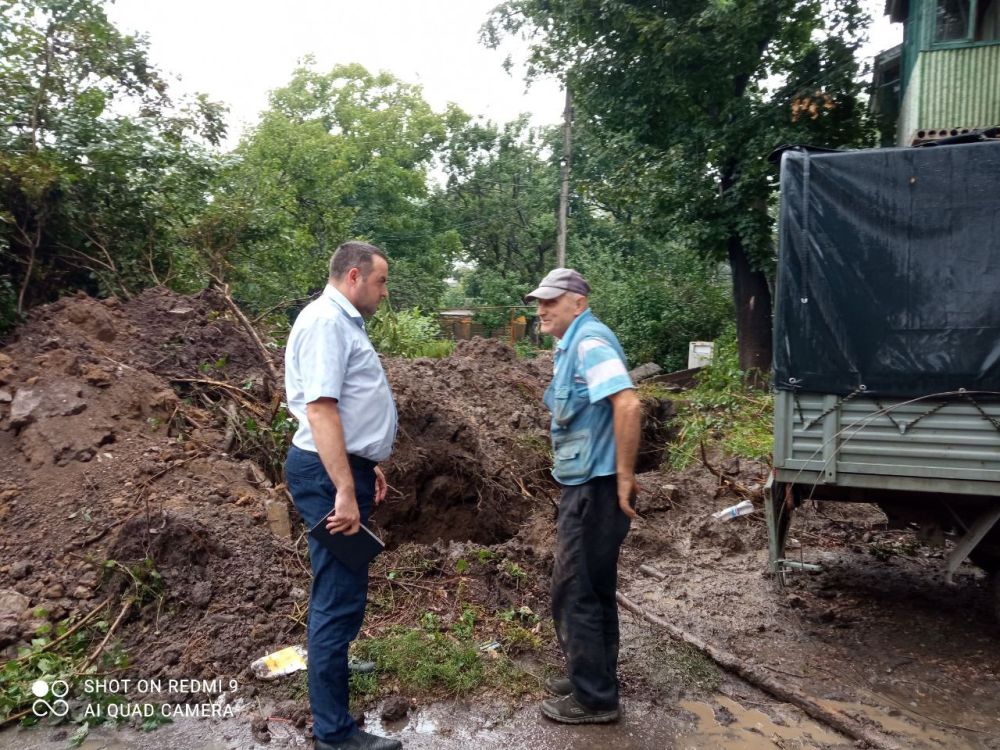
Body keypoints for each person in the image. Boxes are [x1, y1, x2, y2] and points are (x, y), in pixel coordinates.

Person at [284, 241, 401, 750]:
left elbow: (345, 408)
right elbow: (322, 411)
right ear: (354, 276)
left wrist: (364, 465)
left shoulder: (341, 321)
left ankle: (337, 660)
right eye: (381, 281)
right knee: (336, 596)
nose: (385, 290)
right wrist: (343, 488)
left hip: (342, 467)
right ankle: (334, 733)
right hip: (328, 474)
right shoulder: (326, 323)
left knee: (343, 585)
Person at [524, 267, 641, 725]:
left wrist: (625, 474)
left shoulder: (590, 343)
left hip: (595, 487)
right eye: (539, 301)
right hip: (590, 483)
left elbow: (628, 403)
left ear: (578, 301)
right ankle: (593, 676)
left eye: (551, 301)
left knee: (574, 590)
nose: (542, 309)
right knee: (593, 585)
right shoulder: (572, 344)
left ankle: (594, 699)